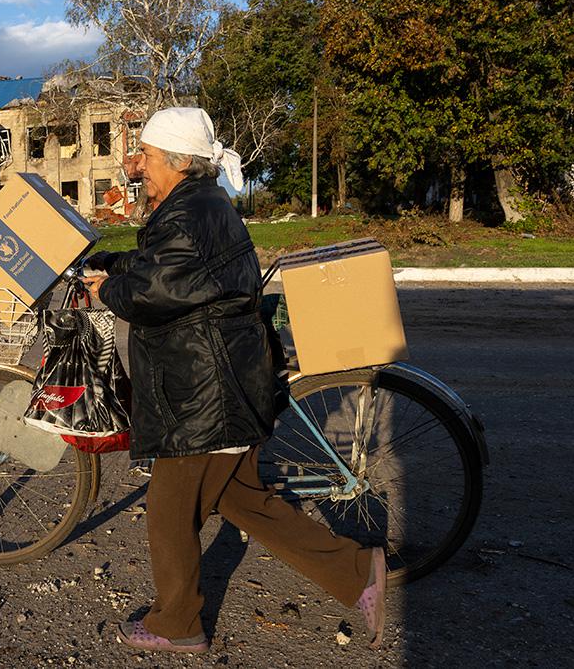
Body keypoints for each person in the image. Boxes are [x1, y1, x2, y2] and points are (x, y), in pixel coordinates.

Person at [82, 107, 387, 654]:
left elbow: (156, 293)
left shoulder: (186, 213)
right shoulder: (197, 204)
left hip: (206, 391)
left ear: (176, 160)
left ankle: (178, 625)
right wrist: (112, 260)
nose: (139, 165)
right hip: (227, 378)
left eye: (146, 155)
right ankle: (358, 571)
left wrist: (106, 291)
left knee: (170, 512)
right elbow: (163, 268)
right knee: (245, 501)